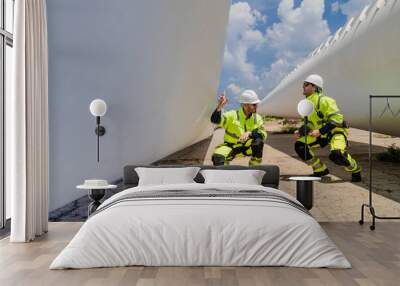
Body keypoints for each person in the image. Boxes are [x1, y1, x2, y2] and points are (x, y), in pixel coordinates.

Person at [294, 74, 362, 182]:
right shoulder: (306, 104)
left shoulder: (325, 100)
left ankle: (355, 170)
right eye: (303, 84)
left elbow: (337, 120)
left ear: (314, 87)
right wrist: (301, 131)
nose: (303, 87)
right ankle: (320, 170)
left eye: (306, 84)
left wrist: (321, 131)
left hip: (335, 132)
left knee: (337, 155)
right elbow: (310, 124)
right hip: (320, 134)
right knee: (300, 145)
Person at [210, 90, 267, 166]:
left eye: (256, 104)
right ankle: (224, 169)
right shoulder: (232, 115)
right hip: (232, 146)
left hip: (249, 147)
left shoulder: (257, 118)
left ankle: (254, 166)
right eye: (253, 104)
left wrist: (250, 133)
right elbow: (215, 120)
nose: (256, 106)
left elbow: (263, 134)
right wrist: (220, 106)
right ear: (245, 105)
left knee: (258, 142)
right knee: (217, 157)